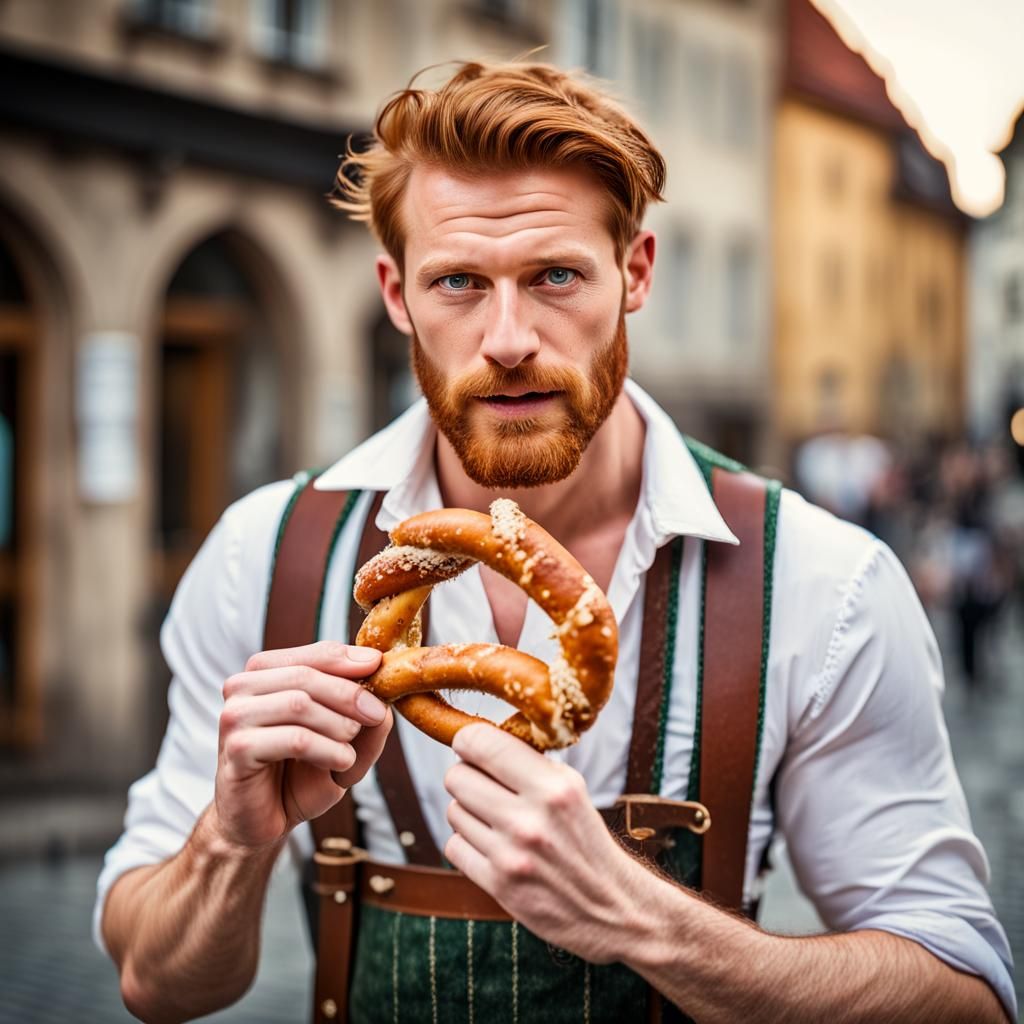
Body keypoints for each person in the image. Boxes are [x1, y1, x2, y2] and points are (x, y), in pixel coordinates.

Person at [95, 62, 1015, 1022]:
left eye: (556, 276)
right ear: (397, 295)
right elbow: (156, 985)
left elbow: (964, 998)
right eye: (457, 282)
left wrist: (641, 917)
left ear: (637, 274)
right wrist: (229, 843)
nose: (507, 338)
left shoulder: (823, 585)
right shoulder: (264, 558)